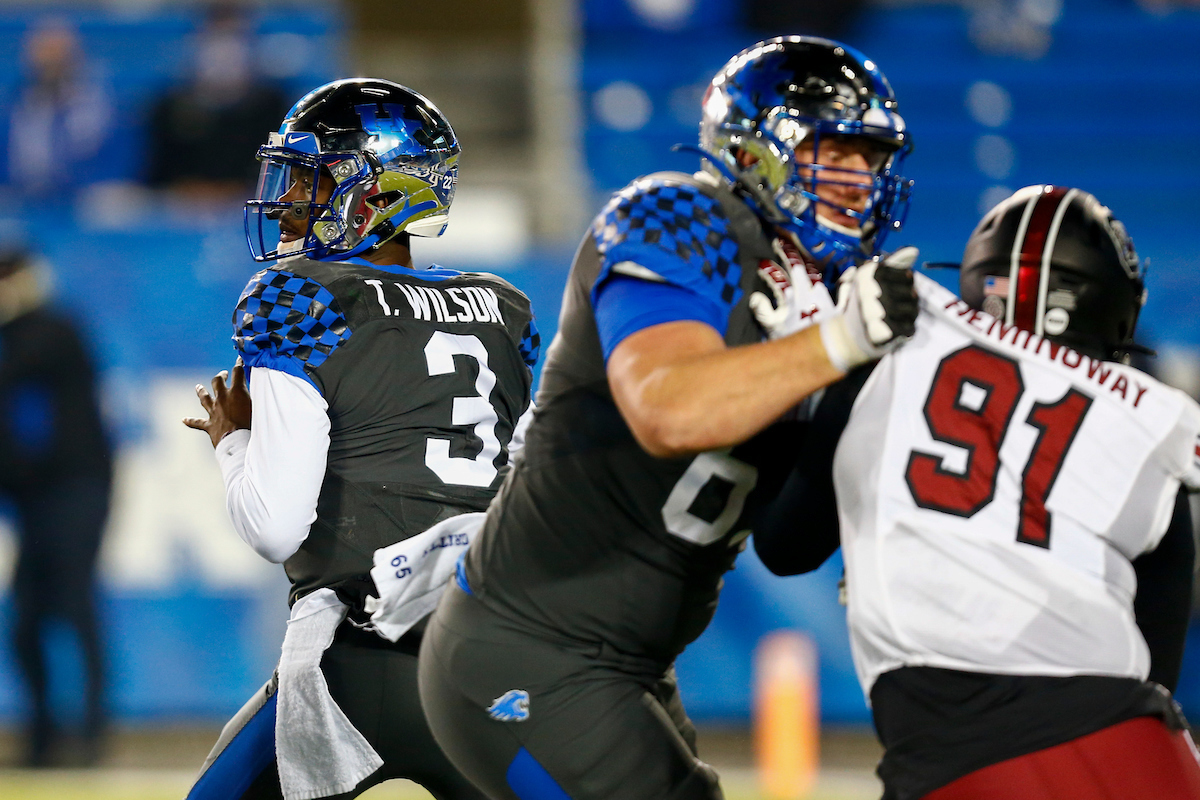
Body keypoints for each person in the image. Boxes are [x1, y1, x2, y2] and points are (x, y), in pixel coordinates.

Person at [417, 36, 920, 800]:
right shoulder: (682, 220)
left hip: (629, 665)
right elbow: (667, 408)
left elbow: (787, 544)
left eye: (870, 157)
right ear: (757, 148)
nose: (858, 178)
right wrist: (836, 344)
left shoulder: (825, 291)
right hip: (527, 653)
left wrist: (851, 390)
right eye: (833, 149)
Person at [754, 185, 1200, 799]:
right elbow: (1156, 667)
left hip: (963, 757)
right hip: (1131, 756)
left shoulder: (885, 350)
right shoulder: (1149, 420)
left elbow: (783, 545)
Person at [181, 78, 538, 800]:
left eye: (309, 180)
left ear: (374, 195)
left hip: (357, 662)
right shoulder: (504, 309)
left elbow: (276, 527)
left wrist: (231, 444)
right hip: (495, 662)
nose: (285, 200)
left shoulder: (303, 298)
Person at [0, 245, 112, 766]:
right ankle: (43, 739)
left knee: (74, 602)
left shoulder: (54, 328)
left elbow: (28, 359)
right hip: (37, 496)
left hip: (77, 487)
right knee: (26, 620)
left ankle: (91, 737)